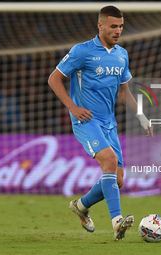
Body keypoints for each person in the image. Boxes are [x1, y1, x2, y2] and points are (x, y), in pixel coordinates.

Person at [48, 5, 153, 241]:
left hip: (109, 123)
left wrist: (142, 116)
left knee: (117, 180)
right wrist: (72, 107)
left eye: (121, 26)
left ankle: (81, 206)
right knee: (109, 160)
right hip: (86, 120)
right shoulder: (82, 51)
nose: (118, 31)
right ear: (101, 25)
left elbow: (124, 93)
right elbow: (54, 79)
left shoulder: (121, 54)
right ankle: (117, 222)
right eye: (113, 26)